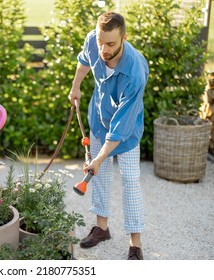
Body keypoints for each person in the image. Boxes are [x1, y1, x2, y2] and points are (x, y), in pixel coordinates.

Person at [68, 11, 149, 260]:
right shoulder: (95, 40)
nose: (103, 49)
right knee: (99, 177)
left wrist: (98, 159)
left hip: (125, 132)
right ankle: (102, 229)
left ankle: (135, 242)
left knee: (130, 181)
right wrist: (76, 86)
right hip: (98, 120)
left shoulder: (135, 73)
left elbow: (120, 129)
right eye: (101, 42)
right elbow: (84, 60)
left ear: (124, 38)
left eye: (111, 44)